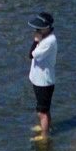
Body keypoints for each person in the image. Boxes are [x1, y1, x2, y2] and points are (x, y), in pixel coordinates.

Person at [28, 14, 57, 142]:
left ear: (47, 28)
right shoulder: (45, 38)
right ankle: (45, 127)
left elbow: (31, 54)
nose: (37, 31)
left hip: (44, 82)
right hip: (39, 80)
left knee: (42, 111)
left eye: (39, 29)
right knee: (44, 109)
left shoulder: (48, 42)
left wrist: (35, 41)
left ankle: (45, 135)